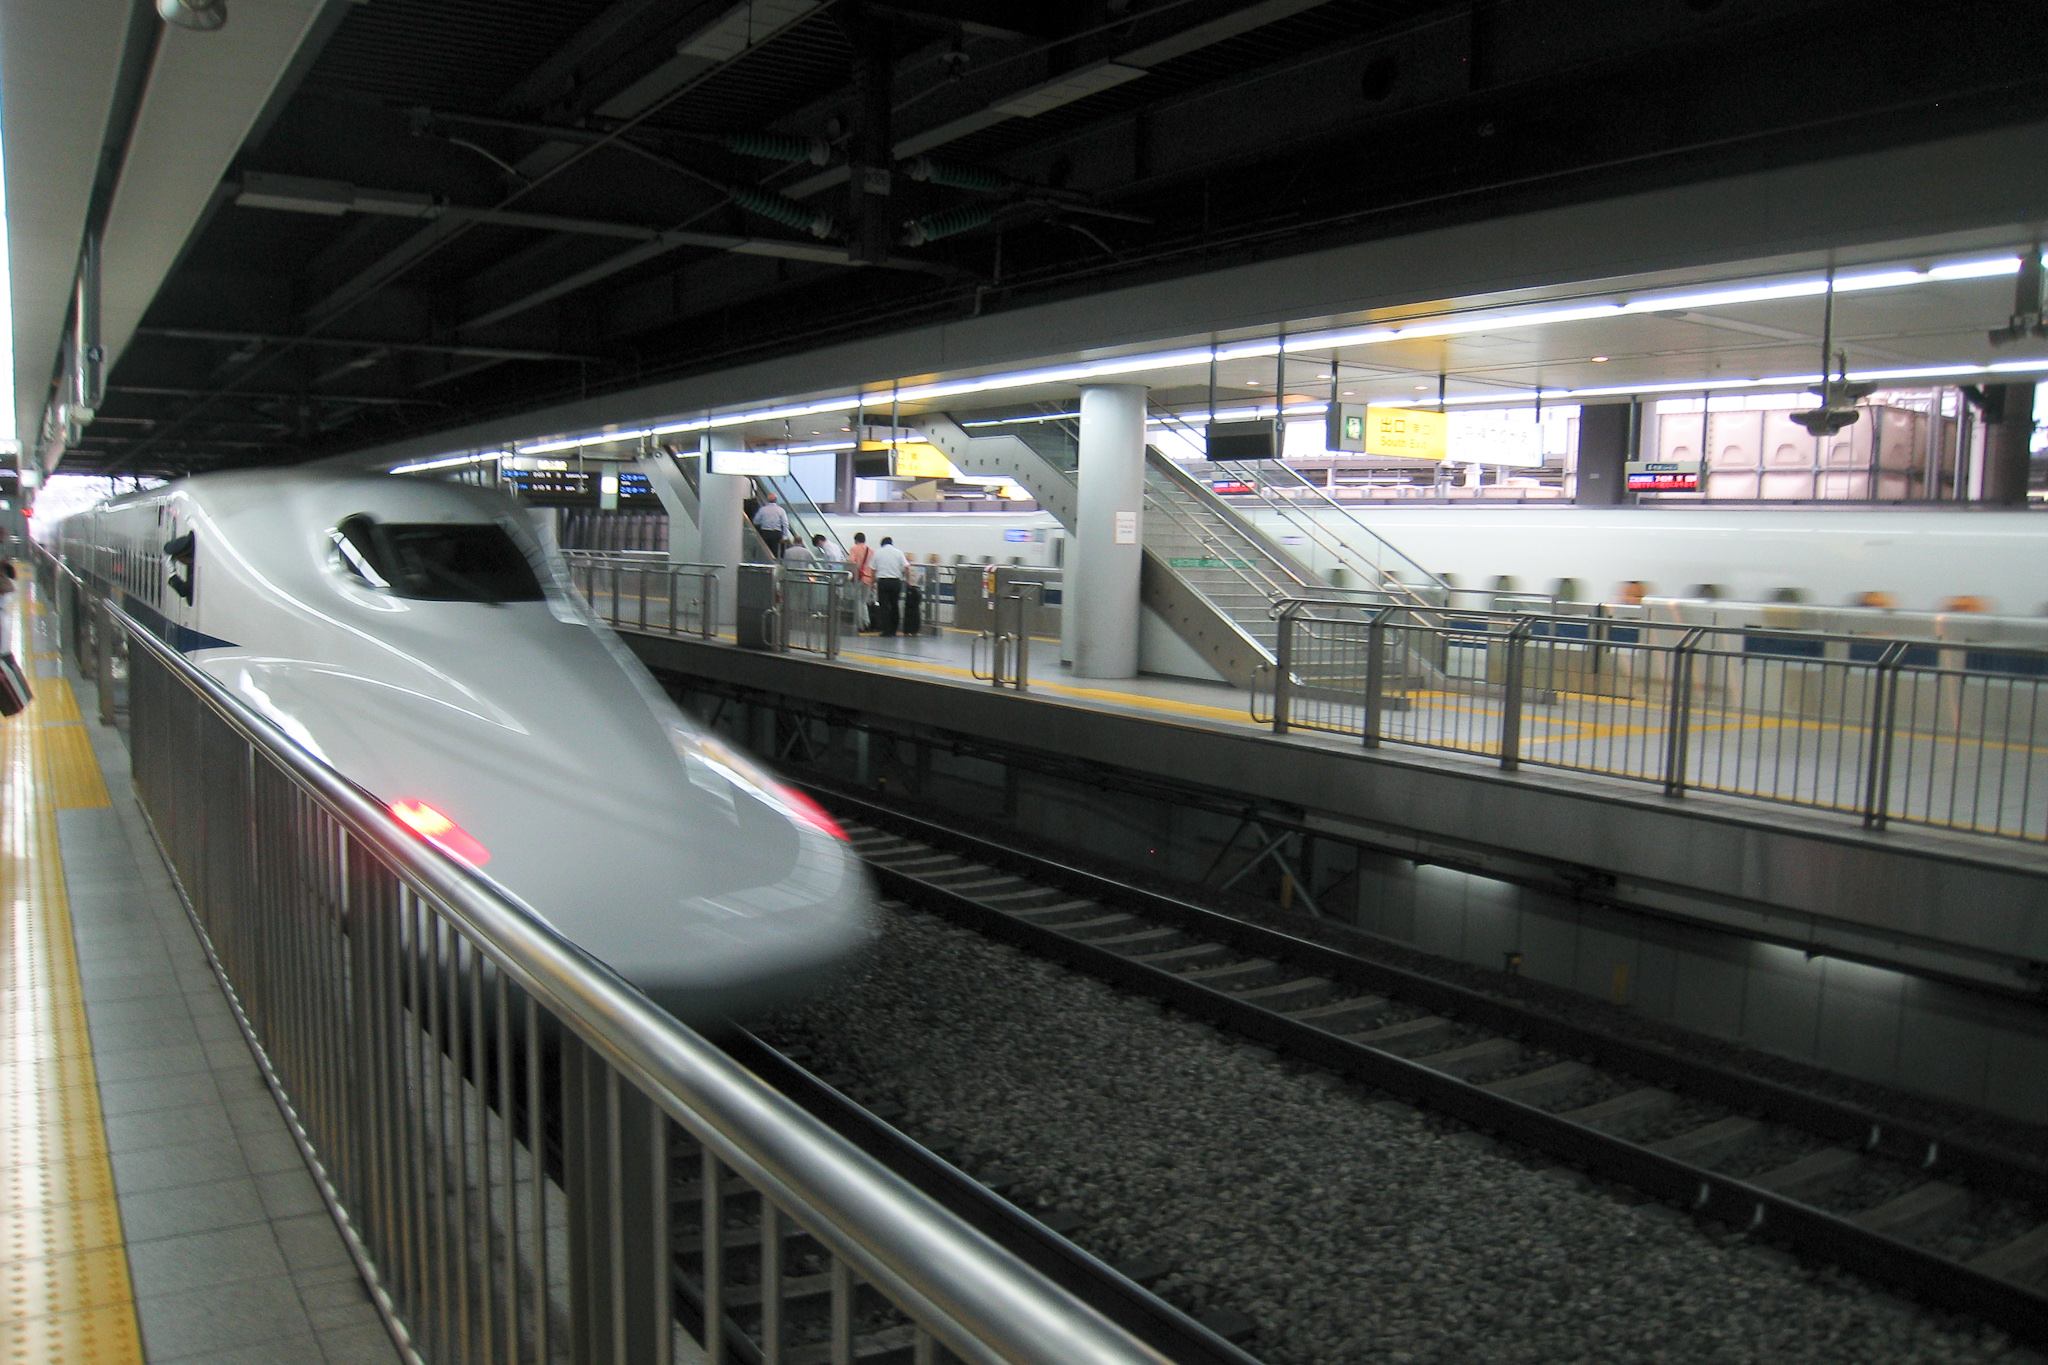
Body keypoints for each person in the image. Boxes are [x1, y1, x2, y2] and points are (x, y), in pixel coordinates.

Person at [870, 536, 909, 636]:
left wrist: (872, 583)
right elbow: (907, 567)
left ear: (882, 544)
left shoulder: (877, 552)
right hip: (896, 581)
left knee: (884, 606)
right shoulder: (898, 552)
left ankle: (886, 630)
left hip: (883, 582)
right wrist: (908, 580)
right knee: (895, 605)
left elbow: (873, 569)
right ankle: (894, 629)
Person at [847, 532, 876, 629]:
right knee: (864, 601)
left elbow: (851, 562)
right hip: (869, 578)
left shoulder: (854, 549)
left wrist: (852, 575)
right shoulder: (871, 551)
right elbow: (874, 566)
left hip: (859, 578)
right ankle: (867, 622)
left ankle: (860, 624)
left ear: (856, 540)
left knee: (858, 601)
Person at [751, 490, 789, 560]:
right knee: (775, 553)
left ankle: (765, 564)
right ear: (776, 500)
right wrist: (784, 536)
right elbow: (785, 524)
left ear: (767, 500)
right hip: (776, 533)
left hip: (765, 532)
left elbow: (756, 521)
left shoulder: (762, 509)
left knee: (765, 551)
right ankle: (773, 565)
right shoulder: (781, 510)